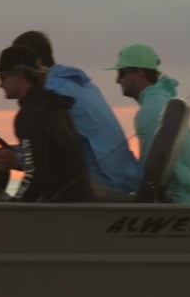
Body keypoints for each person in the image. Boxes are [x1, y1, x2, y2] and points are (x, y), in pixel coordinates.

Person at [11, 30, 143, 198]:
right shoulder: (82, 84)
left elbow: (49, 153)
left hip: (105, 184)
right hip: (124, 180)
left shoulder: (54, 95)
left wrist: (17, 159)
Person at [0, 45, 96, 202]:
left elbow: (35, 175)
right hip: (80, 203)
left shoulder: (29, 116)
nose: (0, 85)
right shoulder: (55, 106)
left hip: (59, 211)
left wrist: (12, 207)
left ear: (20, 75)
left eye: (2, 77)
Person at [109, 43, 190, 204]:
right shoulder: (162, 100)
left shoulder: (151, 109)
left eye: (122, 73)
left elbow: (154, 169)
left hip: (180, 202)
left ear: (138, 73)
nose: (117, 80)